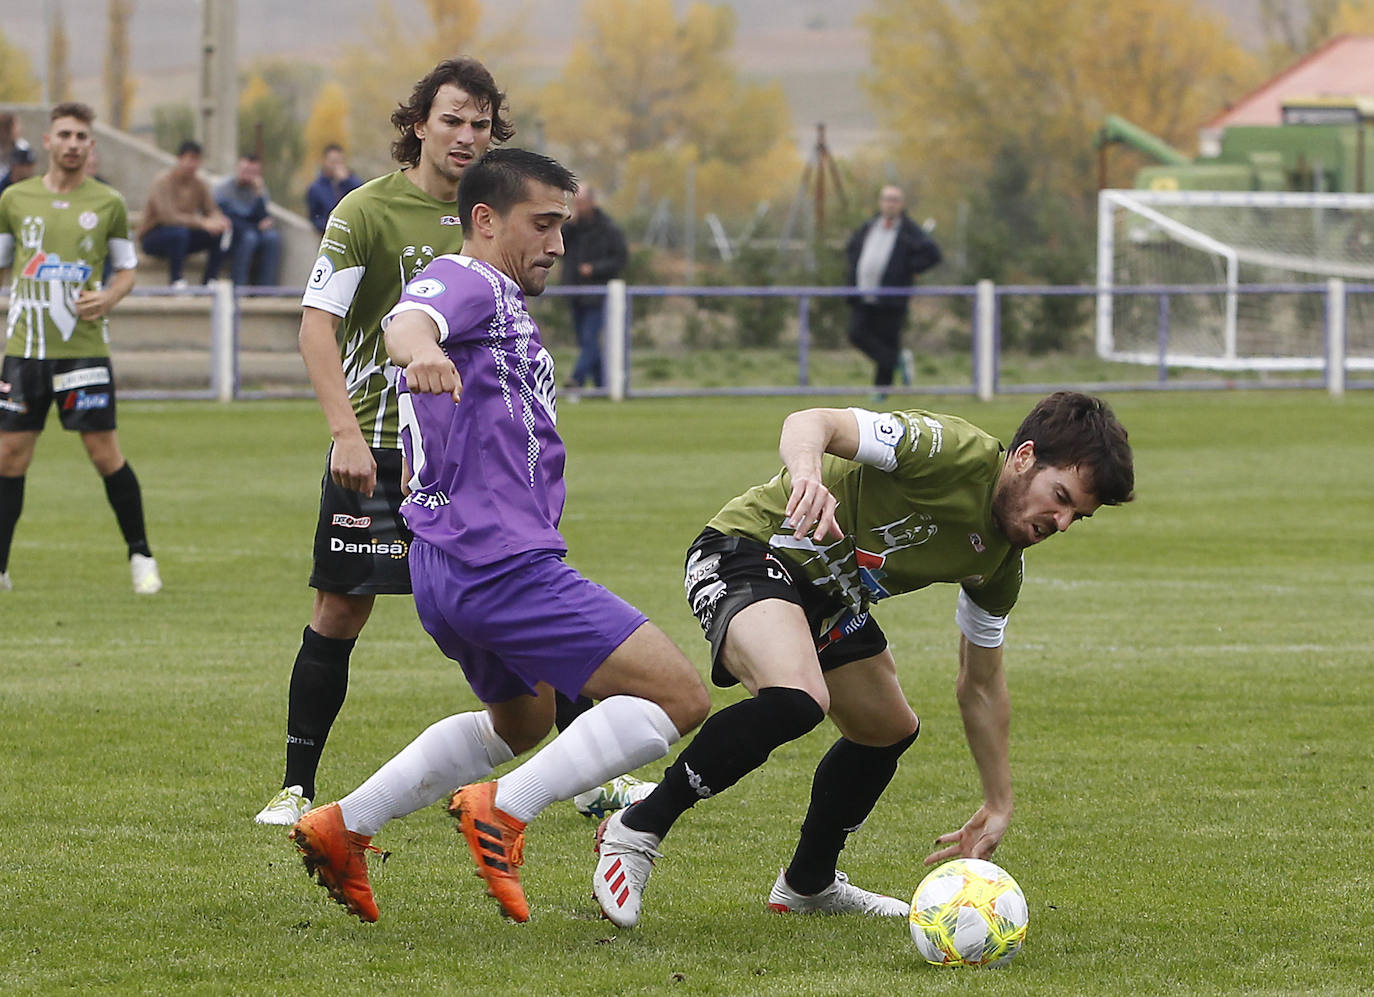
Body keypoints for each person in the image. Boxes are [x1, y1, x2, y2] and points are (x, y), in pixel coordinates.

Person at [288, 147, 710, 926]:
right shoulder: (471, 278)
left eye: (562, 225)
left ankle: (342, 825)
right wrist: (419, 351)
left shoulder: (499, 297)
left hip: (447, 565)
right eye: (542, 224)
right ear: (484, 220)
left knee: (523, 719)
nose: (557, 242)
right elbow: (408, 319)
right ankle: (503, 810)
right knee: (681, 696)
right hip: (501, 562)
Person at [592, 392, 1135, 928]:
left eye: (1076, 516)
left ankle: (808, 885)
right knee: (797, 699)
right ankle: (638, 827)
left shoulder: (1000, 567)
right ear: (1024, 457)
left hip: (831, 600)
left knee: (887, 728)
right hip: (749, 551)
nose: (1061, 522)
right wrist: (807, 476)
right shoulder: (953, 452)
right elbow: (813, 421)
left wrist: (998, 801)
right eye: (1059, 496)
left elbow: (982, 684)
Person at [252, 57, 514, 826]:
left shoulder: (492, 218)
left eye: (480, 123)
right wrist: (345, 435)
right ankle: (296, 786)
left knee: (510, 607)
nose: (467, 136)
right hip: (380, 447)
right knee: (340, 611)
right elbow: (316, 327)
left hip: (471, 453)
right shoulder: (365, 210)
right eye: (452, 120)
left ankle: (588, 776)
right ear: (418, 125)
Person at [0, 102, 161, 595]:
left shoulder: (108, 203)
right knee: (9, 456)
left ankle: (141, 556)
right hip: (26, 349)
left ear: (90, 146)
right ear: (48, 141)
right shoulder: (14, 199)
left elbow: (128, 269)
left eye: (81, 137)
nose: (72, 143)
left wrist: (109, 295)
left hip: (83, 350)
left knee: (103, 453)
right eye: (64, 134)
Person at [844, 185, 942, 394]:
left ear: (901, 204)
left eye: (895, 199)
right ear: (881, 202)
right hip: (863, 295)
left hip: (892, 298)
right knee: (857, 334)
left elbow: (933, 254)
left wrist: (908, 268)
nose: (890, 203)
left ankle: (882, 391)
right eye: (887, 199)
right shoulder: (869, 226)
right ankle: (897, 360)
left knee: (888, 338)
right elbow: (852, 249)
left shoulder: (909, 230)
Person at [138, 140, 230, 288]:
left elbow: (211, 209)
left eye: (197, 160)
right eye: (190, 159)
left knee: (218, 233)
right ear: (180, 159)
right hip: (154, 236)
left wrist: (219, 220)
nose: (193, 164)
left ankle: (210, 281)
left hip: (184, 236)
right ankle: (176, 281)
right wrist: (202, 222)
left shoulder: (199, 183)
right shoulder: (163, 181)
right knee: (178, 233)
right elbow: (167, 216)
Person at [561, 185, 627, 391]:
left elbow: (620, 258)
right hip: (574, 293)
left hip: (597, 295)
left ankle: (576, 380)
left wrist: (595, 269)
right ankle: (601, 385)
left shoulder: (608, 228)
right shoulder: (570, 229)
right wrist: (569, 225)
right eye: (575, 204)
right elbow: (557, 246)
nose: (578, 208)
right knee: (586, 343)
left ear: (592, 202)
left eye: (581, 203)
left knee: (589, 339)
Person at [214, 154, 283, 286]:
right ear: (237, 168)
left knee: (272, 238)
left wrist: (259, 193)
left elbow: (263, 217)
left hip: (253, 229)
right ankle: (240, 286)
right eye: (245, 170)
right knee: (249, 238)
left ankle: (266, 289)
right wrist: (256, 226)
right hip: (233, 233)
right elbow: (226, 217)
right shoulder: (224, 188)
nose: (248, 175)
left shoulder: (258, 189)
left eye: (253, 172)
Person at [306, 144, 363, 235]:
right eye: (333, 162)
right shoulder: (316, 188)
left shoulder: (349, 181)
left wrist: (347, 181)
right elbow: (315, 216)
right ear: (324, 161)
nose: (336, 166)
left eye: (340, 162)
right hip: (330, 232)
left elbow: (362, 196)